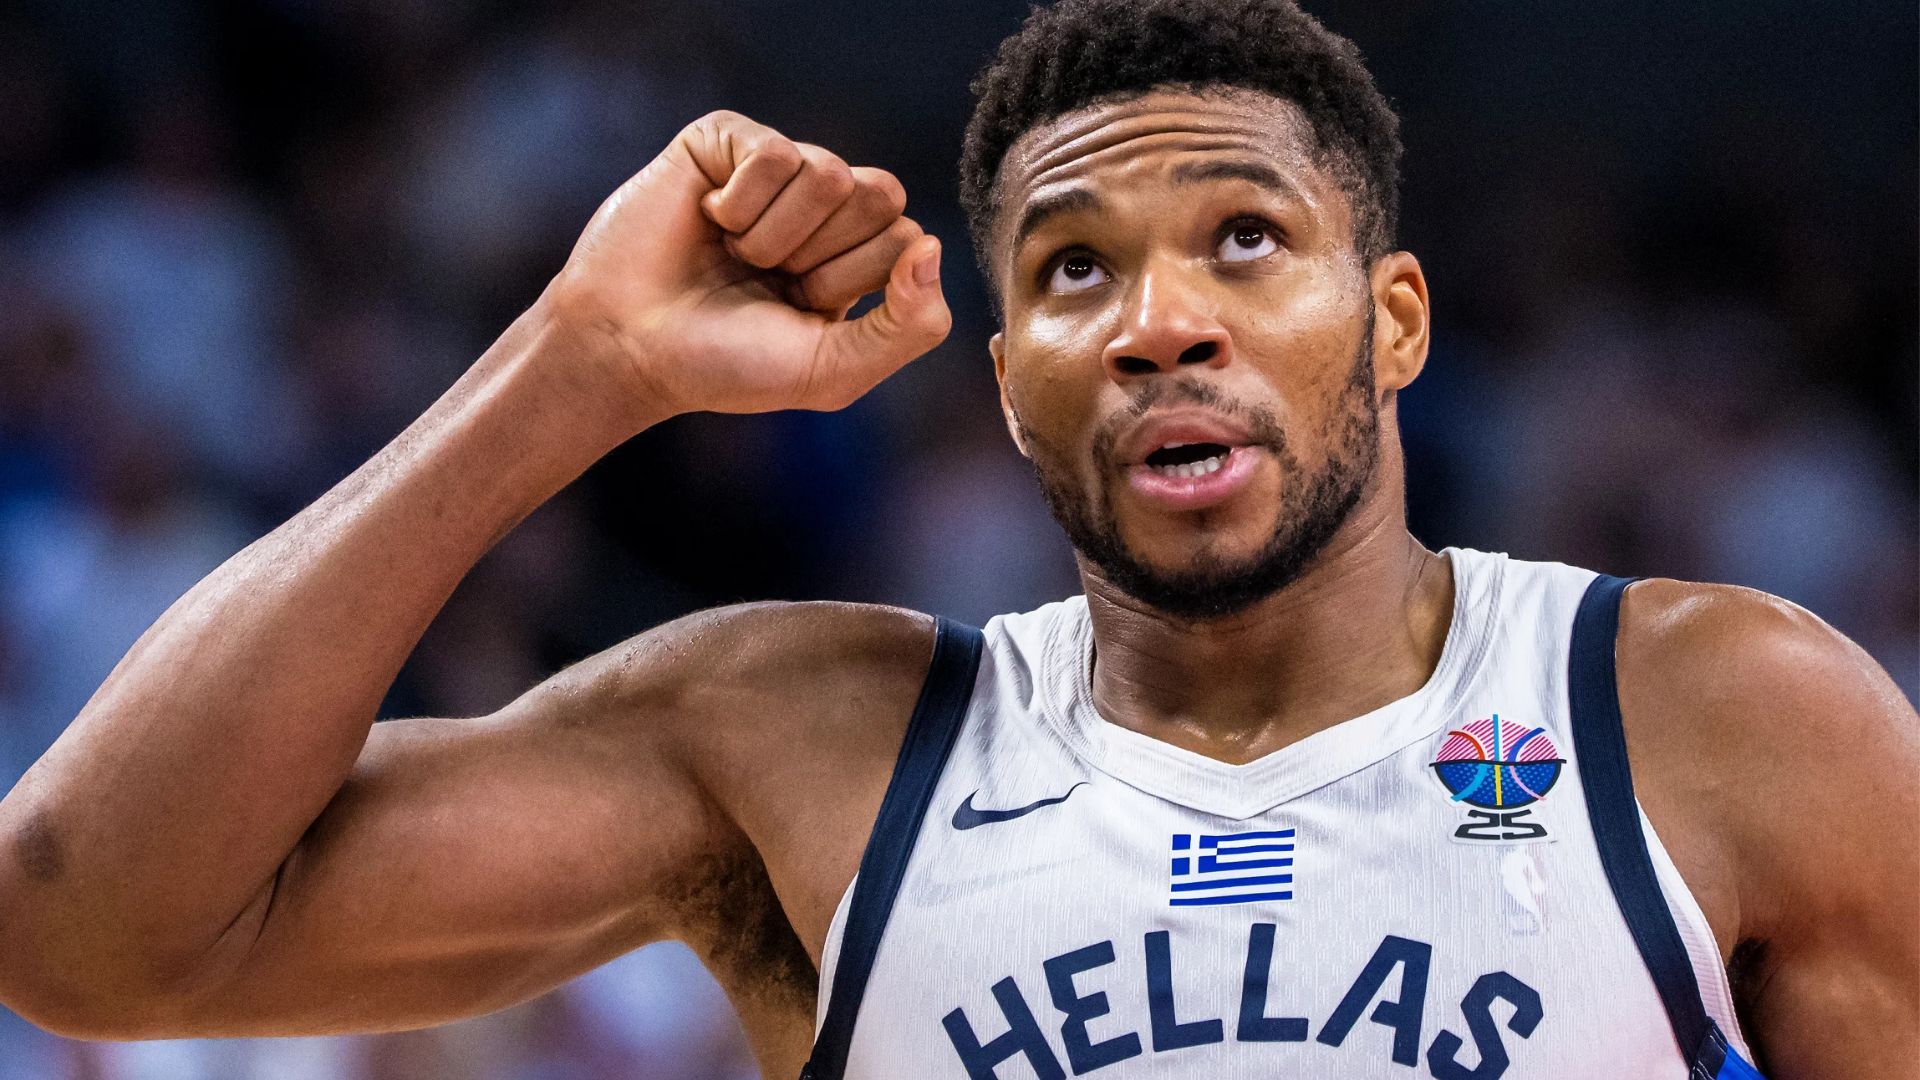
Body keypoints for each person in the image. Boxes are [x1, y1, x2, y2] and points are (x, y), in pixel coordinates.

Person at [0, 1, 1912, 1076]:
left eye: (1247, 239)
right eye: (1075, 270)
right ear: (1009, 385)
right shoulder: (805, 741)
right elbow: (87, 929)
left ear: (1394, 321)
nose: (1162, 321)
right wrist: (571, 370)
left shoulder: (1713, 713)